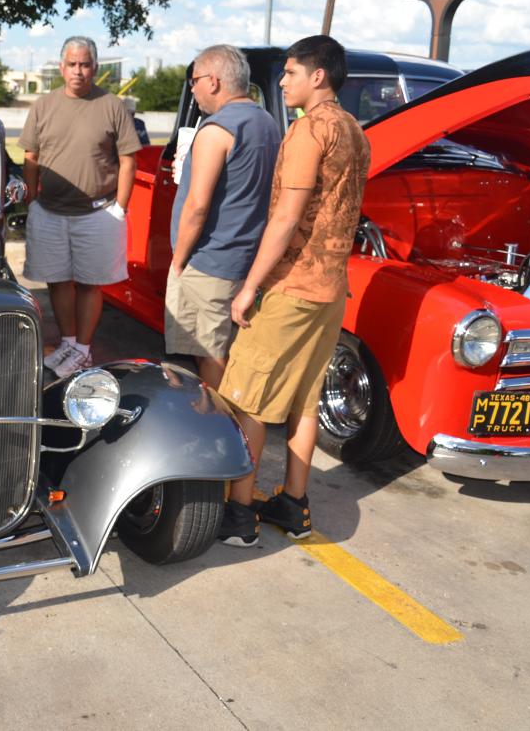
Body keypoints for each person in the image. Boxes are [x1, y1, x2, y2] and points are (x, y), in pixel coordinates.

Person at [215, 35, 370, 547]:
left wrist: (250, 287)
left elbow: (285, 218)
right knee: (304, 400)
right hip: (331, 289)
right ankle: (294, 504)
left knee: (247, 401)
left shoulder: (308, 131)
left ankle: (240, 515)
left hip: (293, 286)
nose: (282, 82)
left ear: (317, 76)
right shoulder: (355, 131)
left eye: (290, 73)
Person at [20, 36, 142, 378]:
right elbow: (31, 156)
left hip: (98, 213)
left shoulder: (112, 105)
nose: (78, 71)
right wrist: (31, 201)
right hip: (50, 211)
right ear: (62, 68)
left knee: (89, 284)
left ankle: (84, 351)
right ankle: (69, 344)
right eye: (72, 64)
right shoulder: (44, 106)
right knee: (57, 281)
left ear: (95, 68)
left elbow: (128, 160)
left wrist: (120, 208)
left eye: (85, 64)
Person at [167, 45, 280, 389]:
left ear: (214, 81)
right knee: (229, 349)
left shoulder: (216, 130)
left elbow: (197, 206)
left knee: (209, 352)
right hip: (246, 258)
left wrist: (179, 261)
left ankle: (216, 417)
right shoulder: (268, 123)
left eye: (195, 81)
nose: (193, 89)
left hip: (209, 261)